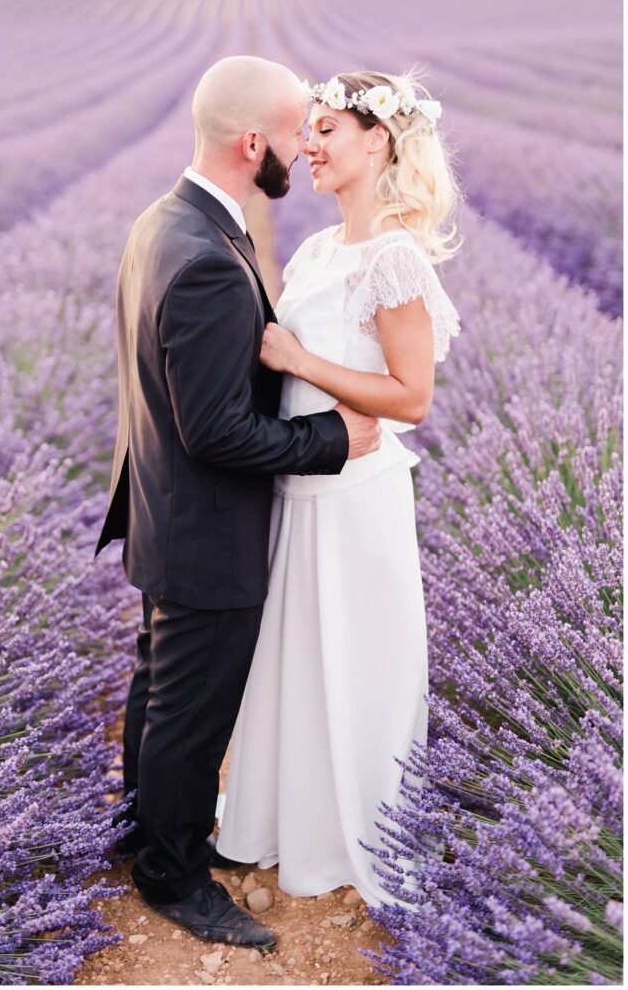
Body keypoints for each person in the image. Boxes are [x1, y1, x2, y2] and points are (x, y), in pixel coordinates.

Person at [94, 56, 382, 949]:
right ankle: (171, 873)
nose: (306, 148)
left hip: (160, 511)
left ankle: (150, 830)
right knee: (192, 707)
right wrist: (333, 440)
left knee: (160, 687)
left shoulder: (162, 222)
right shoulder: (210, 260)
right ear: (252, 141)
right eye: (297, 132)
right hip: (206, 527)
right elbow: (216, 432)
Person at [214, 70, 463, 908]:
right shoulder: (321, 249)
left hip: (357, 498)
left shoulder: (394, 259)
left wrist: (298, 360)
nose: (308, 145)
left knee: (357, 662)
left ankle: (357, 837)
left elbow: (413, 399)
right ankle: (285, 823)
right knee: (295, 659)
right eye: (307, 129)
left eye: (326, 130)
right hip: (302, 487)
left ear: (377, 142)